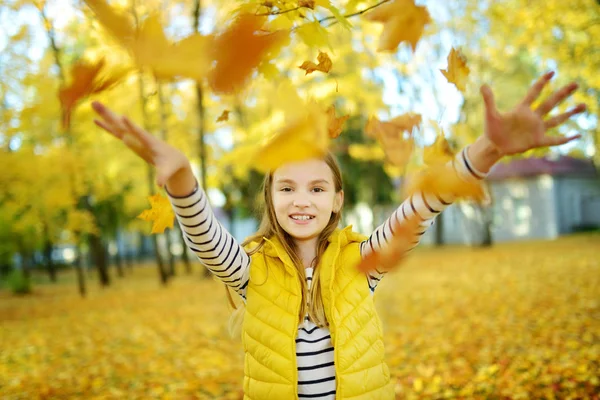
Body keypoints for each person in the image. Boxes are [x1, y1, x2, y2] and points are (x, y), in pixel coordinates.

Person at [92, 72, 585, 399]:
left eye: (316, 187)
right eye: (286, 187)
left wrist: (488, 149)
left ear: (337, 198)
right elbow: (206, 240)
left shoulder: (361, 263)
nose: (301, 199)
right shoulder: (251, 271)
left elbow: (423, 206)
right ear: (270, 198)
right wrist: (181, 181)